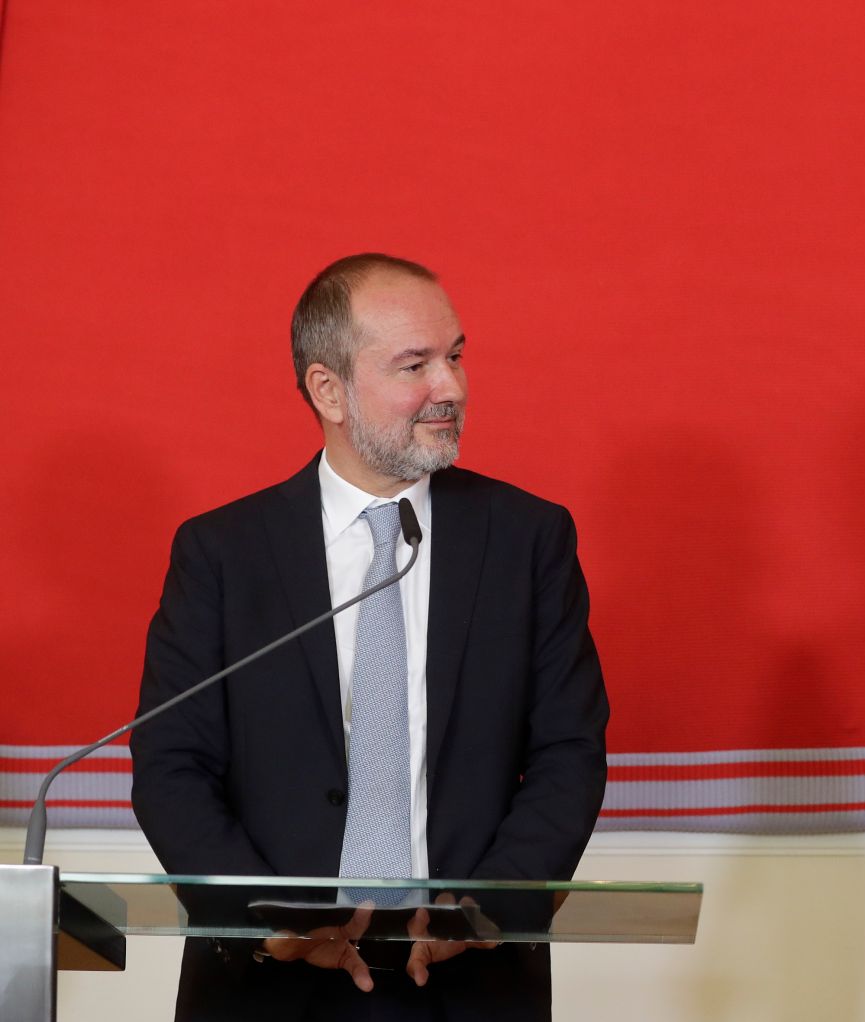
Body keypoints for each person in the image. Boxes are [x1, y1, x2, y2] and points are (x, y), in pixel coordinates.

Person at [131, 254, 610, 1021]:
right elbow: (172, 765)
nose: (450, 387)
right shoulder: (223, 553)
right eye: (414, 365)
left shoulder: (527, 540)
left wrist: (485, 915)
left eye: (454, 356)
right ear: (330, 390)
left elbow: (568, 752)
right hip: (269, 981)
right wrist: (270, 919)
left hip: (467, 978)